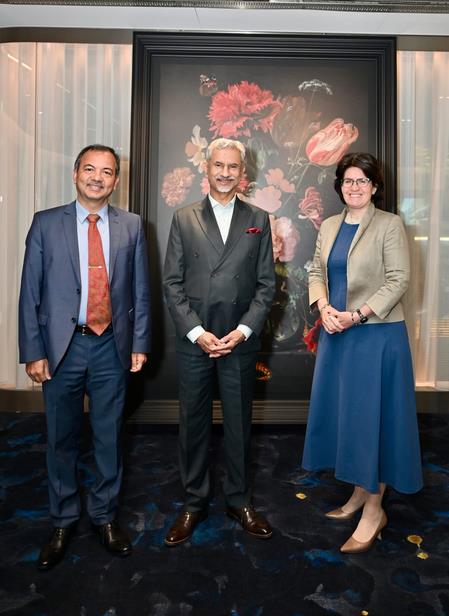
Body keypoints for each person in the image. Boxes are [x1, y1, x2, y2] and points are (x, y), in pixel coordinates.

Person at [18, 144, 151, 569]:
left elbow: (140, 290)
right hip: (63, 348)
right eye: (90, 169)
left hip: (112, 346)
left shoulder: (132, 226)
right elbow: (30, 292)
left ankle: (104, 516)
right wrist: (33, 350)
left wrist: (139, 343)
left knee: (109, 435)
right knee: (61, 437)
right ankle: (62, 519)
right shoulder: (45, 223)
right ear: (76, 174)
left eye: (107, 172)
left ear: (116, 180)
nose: (97, 177)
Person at [302, 152, 422, 553]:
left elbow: (398, 280)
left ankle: (374, 509)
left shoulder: (389, 224)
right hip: (337, 333)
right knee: (350, 418)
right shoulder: (330, 225)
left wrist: (356, 315)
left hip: (376, 336)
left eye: (362, 181)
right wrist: (324, 308)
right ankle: (358, 493)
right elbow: (315, 271)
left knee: (375, 420)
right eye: (348, 180)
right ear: (340, 186)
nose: (354, 187)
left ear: (374, 187)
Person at [163, 138, 276, 545]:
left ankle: (239, 500)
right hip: (197, 339)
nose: (225, 173)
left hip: (238, 340)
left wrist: (243, 330)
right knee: (193, 423)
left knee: (239, 425)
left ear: (243, 172)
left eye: (233, 166)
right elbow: (172, 283)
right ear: (206, 168)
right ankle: (193, 502)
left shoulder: (259, 219)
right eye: (218, 165)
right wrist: (197, 332)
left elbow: (266, 285)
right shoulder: (184, 217)